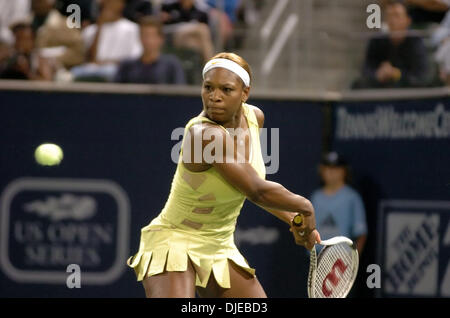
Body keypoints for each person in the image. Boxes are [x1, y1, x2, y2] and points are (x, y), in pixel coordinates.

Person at [127, 52, 321, 298]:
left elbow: (250, 186)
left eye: (226, 90)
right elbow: (256, 190)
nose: (214, 97)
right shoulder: (204, 135)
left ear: (245, 93)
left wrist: (294, 218)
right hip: (174, 240)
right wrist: (305, 207)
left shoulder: (254, 118)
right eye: (208, 87)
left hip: (219, 245)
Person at [352, 1, 429, 89]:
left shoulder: (415, 41)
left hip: (407, 91)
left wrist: (396, 74)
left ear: (407, 20)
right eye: (389, 16)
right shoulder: (377, 40)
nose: (393, 21)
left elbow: (421, 76)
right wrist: (377, 74)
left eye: (396, 16)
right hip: (380, 88)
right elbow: (366, 69)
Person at [311, 152, 367, 256]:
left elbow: (361, 234)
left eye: (336, 168)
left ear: (344, 171)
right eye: (328, 168)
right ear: (322, 171)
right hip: (317, 256)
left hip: (342, 258)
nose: (332, 172)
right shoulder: (316, 197)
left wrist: (352, 261)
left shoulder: (352, 197)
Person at [71, 0, 142, 81]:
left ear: (122, 4)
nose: (109, 5)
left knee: (110, 71)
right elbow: (89, 59)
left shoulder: (132, 29)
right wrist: (100, 26)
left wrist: (104, 63)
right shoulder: (91, 30)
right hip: (92, 71)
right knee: (75, 73)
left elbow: (134, 59)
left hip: (119, 71)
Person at [114, 17, 186, 84]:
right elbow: (115, 92)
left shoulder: (171, 65)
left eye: (152, 36)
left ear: (161, 39)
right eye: (145, 35)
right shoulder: (127, 66)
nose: (148, 40)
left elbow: (180, 92)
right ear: (140, 38)